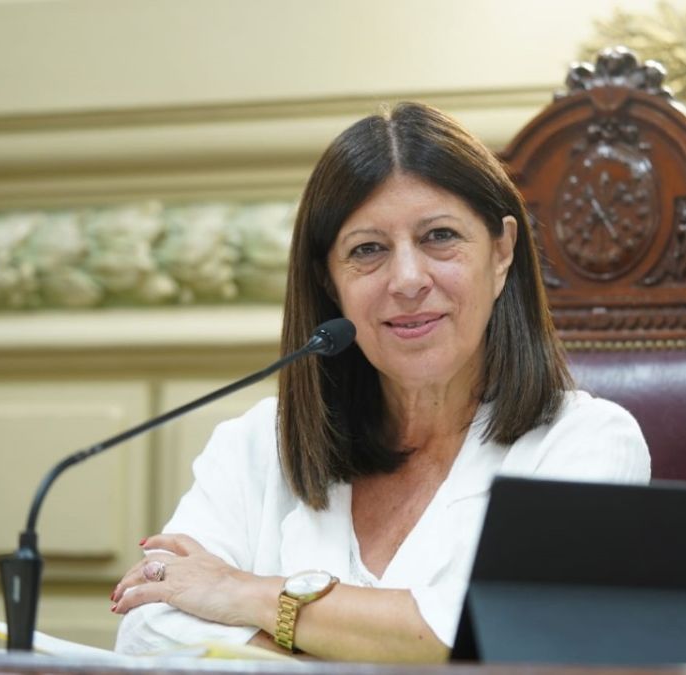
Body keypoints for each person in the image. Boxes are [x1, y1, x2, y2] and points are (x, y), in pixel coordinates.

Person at [110, 102, 650, 661]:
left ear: (502, 251)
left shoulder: (589, 444)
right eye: (368, 249)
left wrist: (241, 594)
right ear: (329, 279)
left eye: (440, 236)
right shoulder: (255, 444)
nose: (409, 279)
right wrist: (385, 649)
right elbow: (148, 624)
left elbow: (500, 638)